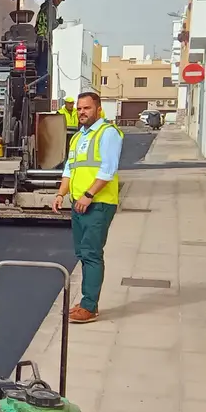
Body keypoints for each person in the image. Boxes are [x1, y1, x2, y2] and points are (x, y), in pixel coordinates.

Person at [51, 90, 123, 324]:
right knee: (82, 253)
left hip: (98, 203)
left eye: (87, 108)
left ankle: (89, 306)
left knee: (92, 254)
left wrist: (89, 195)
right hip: (79, 203)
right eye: (80, 108)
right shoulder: (78, 137)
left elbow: (108, 169)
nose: (82, 112)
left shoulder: (108, 133)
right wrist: (61, 193)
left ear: (98, 109)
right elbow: (70, 169)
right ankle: (86, 302)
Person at [35, 0, 65, 95]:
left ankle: (39, 89)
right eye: (59, 0)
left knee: (39, 65)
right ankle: (41, 91)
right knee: (44, 66)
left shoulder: (44, 6)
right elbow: (50, 25)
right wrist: (58, 22)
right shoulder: (51, 8)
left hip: (39, 38)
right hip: (44, 39)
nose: (59, 2)